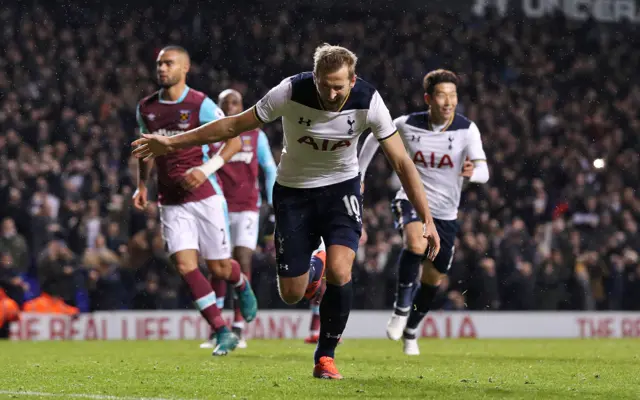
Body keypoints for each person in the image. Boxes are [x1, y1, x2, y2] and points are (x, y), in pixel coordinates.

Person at [132, 43, 440, 379]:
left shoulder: (369, 101)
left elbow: (401, 161)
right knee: (291, 293)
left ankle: (325, 356)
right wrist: (171, 143)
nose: (332, 93)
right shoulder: (290, 91)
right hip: (293, 193)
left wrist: (426, 217)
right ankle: (314, 266)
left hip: (341, 189)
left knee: (341, 270)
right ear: (315, 77)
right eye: (326, 85)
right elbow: (233, 126)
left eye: (339, 86)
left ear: (353, 80)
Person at [133, 45, 258, 356]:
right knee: (185, 265)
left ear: (184, 69)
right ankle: (222, 330)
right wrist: (141, 186)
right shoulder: (146, 108)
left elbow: (234, 140)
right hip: (170, 201)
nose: (162, 68)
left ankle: (240, 284)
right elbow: (146, 150)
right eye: (159, 63)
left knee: (218, 268)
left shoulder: (200, 104)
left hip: (205, 197)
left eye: (169, 63)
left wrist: (206, 169)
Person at [358, 69, 489, 355]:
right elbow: (374, 137)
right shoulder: (407, 124)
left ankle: (412, 329)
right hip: (411, 200)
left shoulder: (467, 129)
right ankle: (400, 309)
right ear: (428, 98)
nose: (448, 102)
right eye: (442, 95)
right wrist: (360, 173)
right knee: (415, 242)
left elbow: (484, 169)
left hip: (446, 213)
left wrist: (473, 172)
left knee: (433, 280)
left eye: (453, 96)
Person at [200, 89, 278, 349]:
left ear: (243, 106)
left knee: (242, 258)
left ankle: (239, 326)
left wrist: (273, 202)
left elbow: (269, 169)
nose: (231, 107)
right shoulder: (210, 136)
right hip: (217, 206)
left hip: (247, 207)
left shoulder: (256, 136)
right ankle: (217, 328)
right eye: (225, 104)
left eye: (235, 102)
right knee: (218, 263)